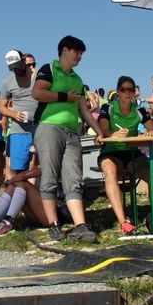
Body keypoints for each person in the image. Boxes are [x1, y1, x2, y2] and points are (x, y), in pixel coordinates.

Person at [32, 35, 104, 243]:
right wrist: (65, 97)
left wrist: (99, 131)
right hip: (49, 127)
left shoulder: (78, 79)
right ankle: (53, 225)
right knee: (50, 176)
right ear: (65, 50)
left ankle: (80, 225)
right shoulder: (49, 69)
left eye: (82, 53)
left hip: (72, 132)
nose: (80, 56)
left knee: (74, 178)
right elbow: (38, 93)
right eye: (77, 51)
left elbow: (84, 109)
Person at [97, 75, 153, 235]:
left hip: (132, 153)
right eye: (124, 89)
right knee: (110, 172)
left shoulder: (139, 110)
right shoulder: (107, 108)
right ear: (118, 91)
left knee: (152, 173)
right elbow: (103, 130)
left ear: (134, 92)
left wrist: (151, 132)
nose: (127, 92)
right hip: (110, 151)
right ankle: (123, 222)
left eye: (131, 90)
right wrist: (114, 134)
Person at [0, 167, 50, 240]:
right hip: (41, 214)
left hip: (52, 216)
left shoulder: (53, 160)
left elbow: (24, 175)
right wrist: (8, 184)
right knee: (11, 187)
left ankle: (8, 222)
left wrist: (7, 183)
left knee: (22, 184)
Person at [0, 50, 39, 180]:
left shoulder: (39, 76)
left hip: (41, 126)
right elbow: (1, 108)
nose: (15, 70)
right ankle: (16, 190)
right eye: (12, 68)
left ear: (23, 60)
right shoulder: (7, 82)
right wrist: (14, 114)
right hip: (19, 130)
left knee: (39, 165)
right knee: (17, 168)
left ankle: (34, 191)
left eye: (17, 66)